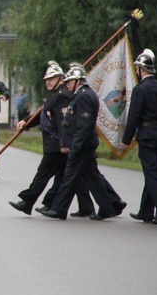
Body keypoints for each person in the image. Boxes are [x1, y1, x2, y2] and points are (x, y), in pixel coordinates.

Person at [38, 64, 118, 221]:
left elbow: (83, 125)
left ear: (77, 81)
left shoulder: (84, 96)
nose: (67, 84)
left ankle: (59, 209)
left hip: (82, 145)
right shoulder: (81, 95)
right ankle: (108, 208)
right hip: (84, 144)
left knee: (70, 177)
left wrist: (75, 146)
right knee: (93, 179)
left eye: (69, 81)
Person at [8, 61, 73, 215]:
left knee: (43, 174)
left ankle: (28, 202)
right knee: (64, 177)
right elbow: (43, 113)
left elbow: (63, 123)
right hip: (56, 144)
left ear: (61, 79)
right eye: (46, 79)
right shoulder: (56, 95)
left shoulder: (62, 96)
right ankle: (52, 204)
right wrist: (26, 121)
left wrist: (64, 143)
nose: (47, 82)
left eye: (51, 78)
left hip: (57, 144)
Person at [120, 49, 157, 224]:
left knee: (151, 175)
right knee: (153, 172)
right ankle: (146, 212)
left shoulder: (140, 90)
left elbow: (133, 117)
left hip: (147, 136)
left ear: (141, 69)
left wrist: (125, 141)